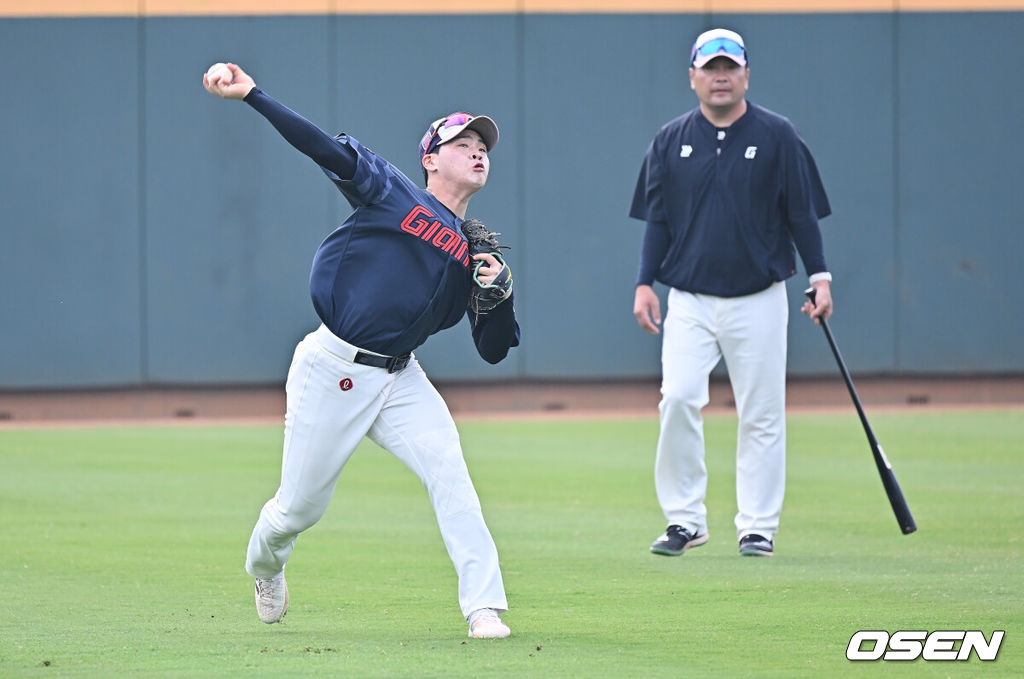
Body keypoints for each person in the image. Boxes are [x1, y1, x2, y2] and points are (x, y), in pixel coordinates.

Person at [202, 62, 519, 638]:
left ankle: (483, 607)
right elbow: (322, 148)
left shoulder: (476, 255)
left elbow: (493, 351)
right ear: (430, 158)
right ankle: (264, 568)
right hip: (334, 369)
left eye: (483, 147)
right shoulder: (393, 192)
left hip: (402, 379)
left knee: (451, 474)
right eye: (463, 143)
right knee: (299, 511)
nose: (477, 152)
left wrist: (498, 295)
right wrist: (253, 96)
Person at [629, 29, 833, 558]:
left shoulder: (778, 135)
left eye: (730, 67)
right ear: (693, 76)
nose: (720, 77)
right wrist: (644, 284)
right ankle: (684, 519)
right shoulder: (671, 139)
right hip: (690, 299)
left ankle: (758, 525)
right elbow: (657, 220)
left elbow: (802, 215)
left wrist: (820, 277)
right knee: (677, 397)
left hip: (759, 296)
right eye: (710, 68)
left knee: (762, 411)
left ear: (746, 74)